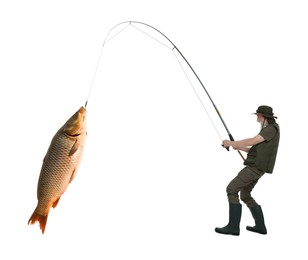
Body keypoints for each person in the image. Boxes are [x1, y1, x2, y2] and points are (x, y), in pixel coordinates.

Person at [215, 105, 280, 236]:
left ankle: (233, 227)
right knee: (245, 195)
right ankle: (260, 227)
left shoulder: (271, 129)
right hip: (258, 168)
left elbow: (252, 141)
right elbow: (255, 149)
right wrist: (239, 147)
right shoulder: (268, 129)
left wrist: (232, 143)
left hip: (254, 168)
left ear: (263, 116)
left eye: (258, 115)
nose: (257, 117)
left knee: (231, 189)